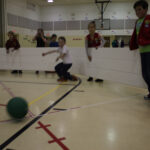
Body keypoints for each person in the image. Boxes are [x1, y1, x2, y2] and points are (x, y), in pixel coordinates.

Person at [130, 0, 150, 100]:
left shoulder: (149, 19)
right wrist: (132, 44)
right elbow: (135, 35)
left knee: (148, 73)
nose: (137, 12)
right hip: (142, 51)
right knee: (145, 74)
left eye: (140, 9)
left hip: (149, 50)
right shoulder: (137, 22)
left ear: (146, 9)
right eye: (136, 10)